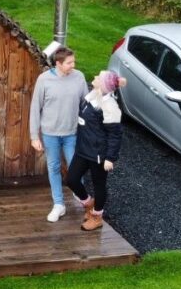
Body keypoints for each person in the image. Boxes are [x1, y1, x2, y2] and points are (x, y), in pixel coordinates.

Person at [29, 46, 88, 223]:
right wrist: (34, 136)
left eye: (73, 61)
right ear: (58, 63)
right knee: (53, 168)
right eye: (69, 63)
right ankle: (59, 204)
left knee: (75, 168)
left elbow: (86, 104)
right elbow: (35, 108)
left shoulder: (79, 77)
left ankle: (82, 196)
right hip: (50, 134)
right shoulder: (44, 80)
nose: (73, 65)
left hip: (72, 133)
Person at [67, 70, 126, 232]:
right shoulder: (93, 95)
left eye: (98, 77)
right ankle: (88, 203)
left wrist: (110, 158)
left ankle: (97, 216)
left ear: (104, 85)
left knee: (99, 185)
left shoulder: (110, 107)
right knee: (71, 179)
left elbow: (115, 134)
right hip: (83, 149)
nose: (94, 77)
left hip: (99, 155)